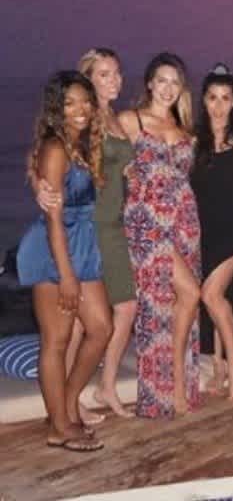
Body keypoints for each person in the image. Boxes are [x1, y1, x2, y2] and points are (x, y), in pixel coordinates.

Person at [36, 49, 138, 420]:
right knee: (93, 317)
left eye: (117, 73)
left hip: (115, 222)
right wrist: (39, 186)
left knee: (107, 314)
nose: (114, 80)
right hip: (91, 226)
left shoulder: (113, 120)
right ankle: (72, 400)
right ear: (87, 80)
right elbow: (50, 159)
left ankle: (99, 388)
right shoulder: (83, 120)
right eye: (104, 74)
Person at [18, 71, 112, 450]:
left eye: (85, 101)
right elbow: (54, 218)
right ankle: (59, 425)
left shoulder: (83, 143)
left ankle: (66, 405)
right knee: (56, 340)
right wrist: (67, 275)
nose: (81, 109)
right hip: (54, 248)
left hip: (83, 243)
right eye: (70, 103)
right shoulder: (56, 148)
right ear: (57, 108)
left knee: (100, 328)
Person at [119, 52, 202, 419]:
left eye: (175, 82)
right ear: (150, 83)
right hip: (147, 222)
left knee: (180, 302)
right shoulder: (131, 121)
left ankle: (176, 380)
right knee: (181, 296)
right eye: (162, 80)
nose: (168, 88)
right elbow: (96, 155)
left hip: (184, 221)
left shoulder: (185, 128)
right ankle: (173, 385)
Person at [190, 64, 233, 401]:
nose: (218, 104)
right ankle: (216, 365)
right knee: (218, 300)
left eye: (224, 98)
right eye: (212, 97)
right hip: (201, 229)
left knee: (211, 296)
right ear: (204, 100)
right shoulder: (192, 141)